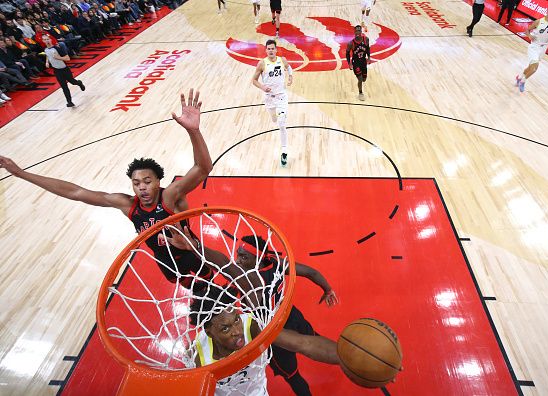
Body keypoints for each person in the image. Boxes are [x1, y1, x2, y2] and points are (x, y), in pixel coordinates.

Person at [0, 87, 215, 291]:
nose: (142, 188)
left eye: (147, 181)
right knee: (185, 284)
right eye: (136, 183)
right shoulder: (128, 204)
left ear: (159, 181)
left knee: (208, 278)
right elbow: (76, 192)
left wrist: (194, 131)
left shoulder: (170, 196)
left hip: (190, 248)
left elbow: (202, 167)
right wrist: (20, 173)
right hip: (163, 258)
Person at [169, 229, 338, 396]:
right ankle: (344, 353)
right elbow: (311, 272)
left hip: (270, 330)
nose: (238, 261)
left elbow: (225, 265)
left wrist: (198, 247)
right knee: (311, 339)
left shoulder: (251, 281)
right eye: (238, 255)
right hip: (291, 315)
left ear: (258, 259)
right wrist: (328, 290)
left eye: (244, 257)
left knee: (293, 376)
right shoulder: (276, 261)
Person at [193, 287, 340, 396]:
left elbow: (303, 343)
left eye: (237, 319)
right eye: (225, 329)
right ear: (209, 332)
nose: (237, 331)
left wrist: (344, 356)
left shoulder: (252, 327)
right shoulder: (197, 353)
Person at [251, 39, 293, 167]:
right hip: (269, 98)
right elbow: (254, 80)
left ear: (276, 49)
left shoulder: (282, 60)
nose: (270, 50)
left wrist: (290, 77)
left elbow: (289, 68)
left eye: (272, 48)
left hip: (281, 97)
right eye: (268, 49)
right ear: (266, 50)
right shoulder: (262, 64)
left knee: (281, 123)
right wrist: (262, 87)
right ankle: (275, 117)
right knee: (274, 119)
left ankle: (284, 150)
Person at [515, 3, 548, 92]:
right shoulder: (539, 21)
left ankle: (519, 77)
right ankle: (523, 81)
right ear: (547, 10)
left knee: (530, 67)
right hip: (534, 46)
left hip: (544, 47)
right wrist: (529, 36)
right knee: (534, 68)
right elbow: (527, 30)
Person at [42, 34, 85, 107]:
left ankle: (79, 83)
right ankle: (69, 102)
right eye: (45, 39)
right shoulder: (45, 50)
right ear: (43, 41)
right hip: (57, 71)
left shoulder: (58, 48)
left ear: (51, 39)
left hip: (65, 69)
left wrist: (58, 57)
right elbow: (48, 55)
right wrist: (47, 62)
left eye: (48, 39)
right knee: (64, 87)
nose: (47, 41)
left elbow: (68, 58)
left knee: (72, 82)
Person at [346, 25, 370, 101]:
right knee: (360, 79)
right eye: (356, 31)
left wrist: (369, 57)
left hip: (363, 61)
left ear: (361, 32)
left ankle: (361, 87)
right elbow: (347, 53)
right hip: (355, 62)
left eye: (359, 31)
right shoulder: (351, 43)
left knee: (364, 79)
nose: (357, 33)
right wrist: (349, 63)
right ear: (354, 32)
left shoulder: (366, 39)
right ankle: (360, 93)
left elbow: (368, 48)